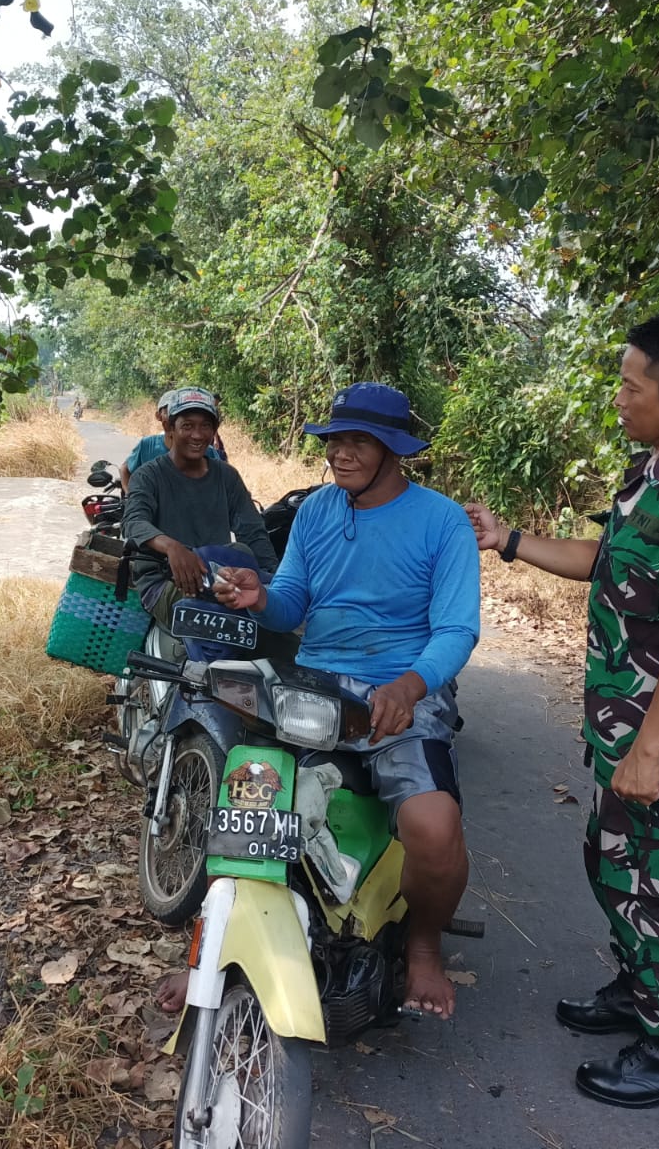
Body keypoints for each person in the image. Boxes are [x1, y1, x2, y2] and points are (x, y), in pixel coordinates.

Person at [464, 314, 659, 1110]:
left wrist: (650, 750)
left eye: (632, 387)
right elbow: (607, 562)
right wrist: (509, 539)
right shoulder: (656, 474)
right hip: (625, 719)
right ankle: (641, 991)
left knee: (657, 876)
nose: (619, 399)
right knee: (612, 859)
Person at [210, 381, 482, 1020]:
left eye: (360, 441)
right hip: (316, 685)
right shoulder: (315, 512)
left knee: (434, 829)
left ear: (394, 451)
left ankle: (423, 946)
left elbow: (456, 629)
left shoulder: (442, 521)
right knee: (247, 793)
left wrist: (411, 686)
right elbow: (293, 603)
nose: (341, 452)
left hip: (403, 692)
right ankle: (214, 946)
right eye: (335, 439)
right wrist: (260, 597)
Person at [119, 387, 278, 629]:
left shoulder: (227, 476)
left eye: (205, 426)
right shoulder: (148, 476)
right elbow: (133, 521)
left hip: (217, 577)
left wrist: (276, 583)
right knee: (228, 616)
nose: (197, 435)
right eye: (187, 426)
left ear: (214, 431)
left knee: (271, 616)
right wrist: (172, 547)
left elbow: (252, 530)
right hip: (164, 583)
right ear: (170, 428)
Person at [119, 389, 220, 492]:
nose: (196, 436)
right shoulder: (147, 446)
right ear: (163, 421)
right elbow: (125, 469)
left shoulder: (207, 452)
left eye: (205, 425)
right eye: (168, 410)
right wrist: (130, 496)